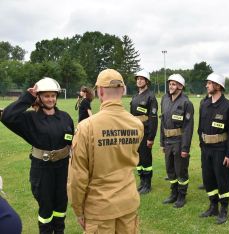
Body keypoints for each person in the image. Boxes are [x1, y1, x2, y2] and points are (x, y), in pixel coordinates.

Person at [68, 69, 144, 234]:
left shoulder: (86, 127)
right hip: (128, 203)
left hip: (99, 208)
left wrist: (78, 209)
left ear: (100, 91)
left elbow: (77, 176)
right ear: (123, 90)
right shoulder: (136, 124)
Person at [1, 77, 74, 234]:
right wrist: (28, 97)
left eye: (53, 95)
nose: (50, 99)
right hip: (42, 169)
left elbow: (71, 141)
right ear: (39, 97)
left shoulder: (65, 117)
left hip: (63, 168)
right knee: (46, 207)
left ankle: (59, 231)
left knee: (61, 205)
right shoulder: (30, 118)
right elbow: (7, 116)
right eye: (46, 96)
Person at [198, 73, 229, 224]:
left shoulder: (228, 106)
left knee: (222, 180)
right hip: (206, 149)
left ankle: (224, 209)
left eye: (210, 83)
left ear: (218, 86)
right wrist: (202, 145)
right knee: (208, 179)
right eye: (207, 83)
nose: (207, 85)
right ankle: (213, 206)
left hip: (221, 149)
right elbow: (200, 127)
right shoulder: (204, 104)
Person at [160, 74, 194, 208]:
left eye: (174, 84)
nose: (170, 86)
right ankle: (173, 194)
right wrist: (162, 142)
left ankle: (181, 196)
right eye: (170, 83)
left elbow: (188, 127)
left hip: (179, 142)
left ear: (180, 86)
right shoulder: (165, 99)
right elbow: (162, 121)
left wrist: (185, 148)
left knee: (181, 171)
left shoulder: (186, 103)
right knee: (170, 170)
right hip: (168, 141)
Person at [130, 70, 158, 194]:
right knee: (139, 158)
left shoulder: (150, 97)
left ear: (147, 81)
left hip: (146, 133)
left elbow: (153, 119)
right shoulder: (135, 96)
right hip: (136, 133)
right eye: (137, 79)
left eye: (142, 79)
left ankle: (147, 184)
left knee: (146, 158)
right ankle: (142, 181)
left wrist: (151, 137)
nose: (139, 81)